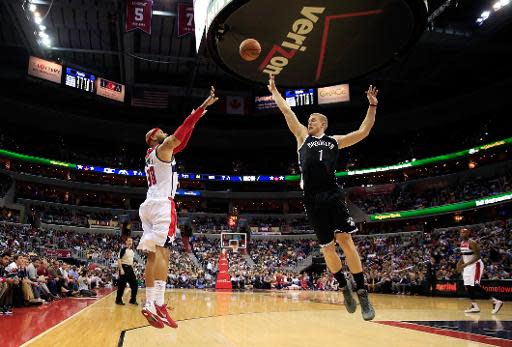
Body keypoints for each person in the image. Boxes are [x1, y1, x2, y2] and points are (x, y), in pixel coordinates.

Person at [268, 75, 377, 320]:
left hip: (332, 194)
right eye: (308, 119)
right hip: (311, 198)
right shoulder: (301, 138)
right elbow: (287, 112)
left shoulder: (333, 141)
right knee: (327, 249)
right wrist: (274, 91)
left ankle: (362, 292)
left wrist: (372, 106)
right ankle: (343, 286)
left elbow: (364, 130)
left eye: (314, 119)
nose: (309, 121)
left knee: (345, 240)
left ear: (323, 124)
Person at [138, 87, 219, 329]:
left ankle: (150, 303)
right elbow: (177, 137)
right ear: (154, 137)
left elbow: (181, 141)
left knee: (153, 256)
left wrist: (195, 119)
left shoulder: (153, 156)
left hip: (147, 206)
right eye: (161, 132)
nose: (165, 133)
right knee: (164, 254)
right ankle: (159, 303)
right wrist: (201, 108)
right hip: (163, 204)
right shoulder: (162, 148)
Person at [457, 228, 503, 314]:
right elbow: (464, 256)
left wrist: (465, 264)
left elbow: (478, 257)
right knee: (468, 286)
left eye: (465, 232)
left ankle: (495, 301)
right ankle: (474, 306)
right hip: (467, 266)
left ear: (468, 233)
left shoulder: (472, 243)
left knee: (474, 285)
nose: (462, 234)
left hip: (476, 265)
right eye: (461, 232)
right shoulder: (462, 244)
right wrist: (458, 264)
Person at [115, 237, 138, 305]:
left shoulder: (132, 251)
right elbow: (119, 260)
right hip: (124, 268)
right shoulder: (123, 250)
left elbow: (131, 261)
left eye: (131, 241)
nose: (130, 242)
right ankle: (118, 300)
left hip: (130, 269)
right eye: (128, 241)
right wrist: (121, 269)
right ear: (126, 242)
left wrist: (133, 269)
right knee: (122, 285)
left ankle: (132, 300)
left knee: (135, 284)